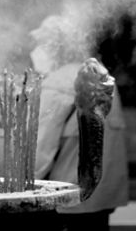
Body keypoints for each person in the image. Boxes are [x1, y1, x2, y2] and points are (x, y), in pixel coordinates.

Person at [33, 53, 129, 231]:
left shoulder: (57, 83)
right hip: (101, 199)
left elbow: (39, 152)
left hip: (66, 202)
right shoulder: (103, 75)